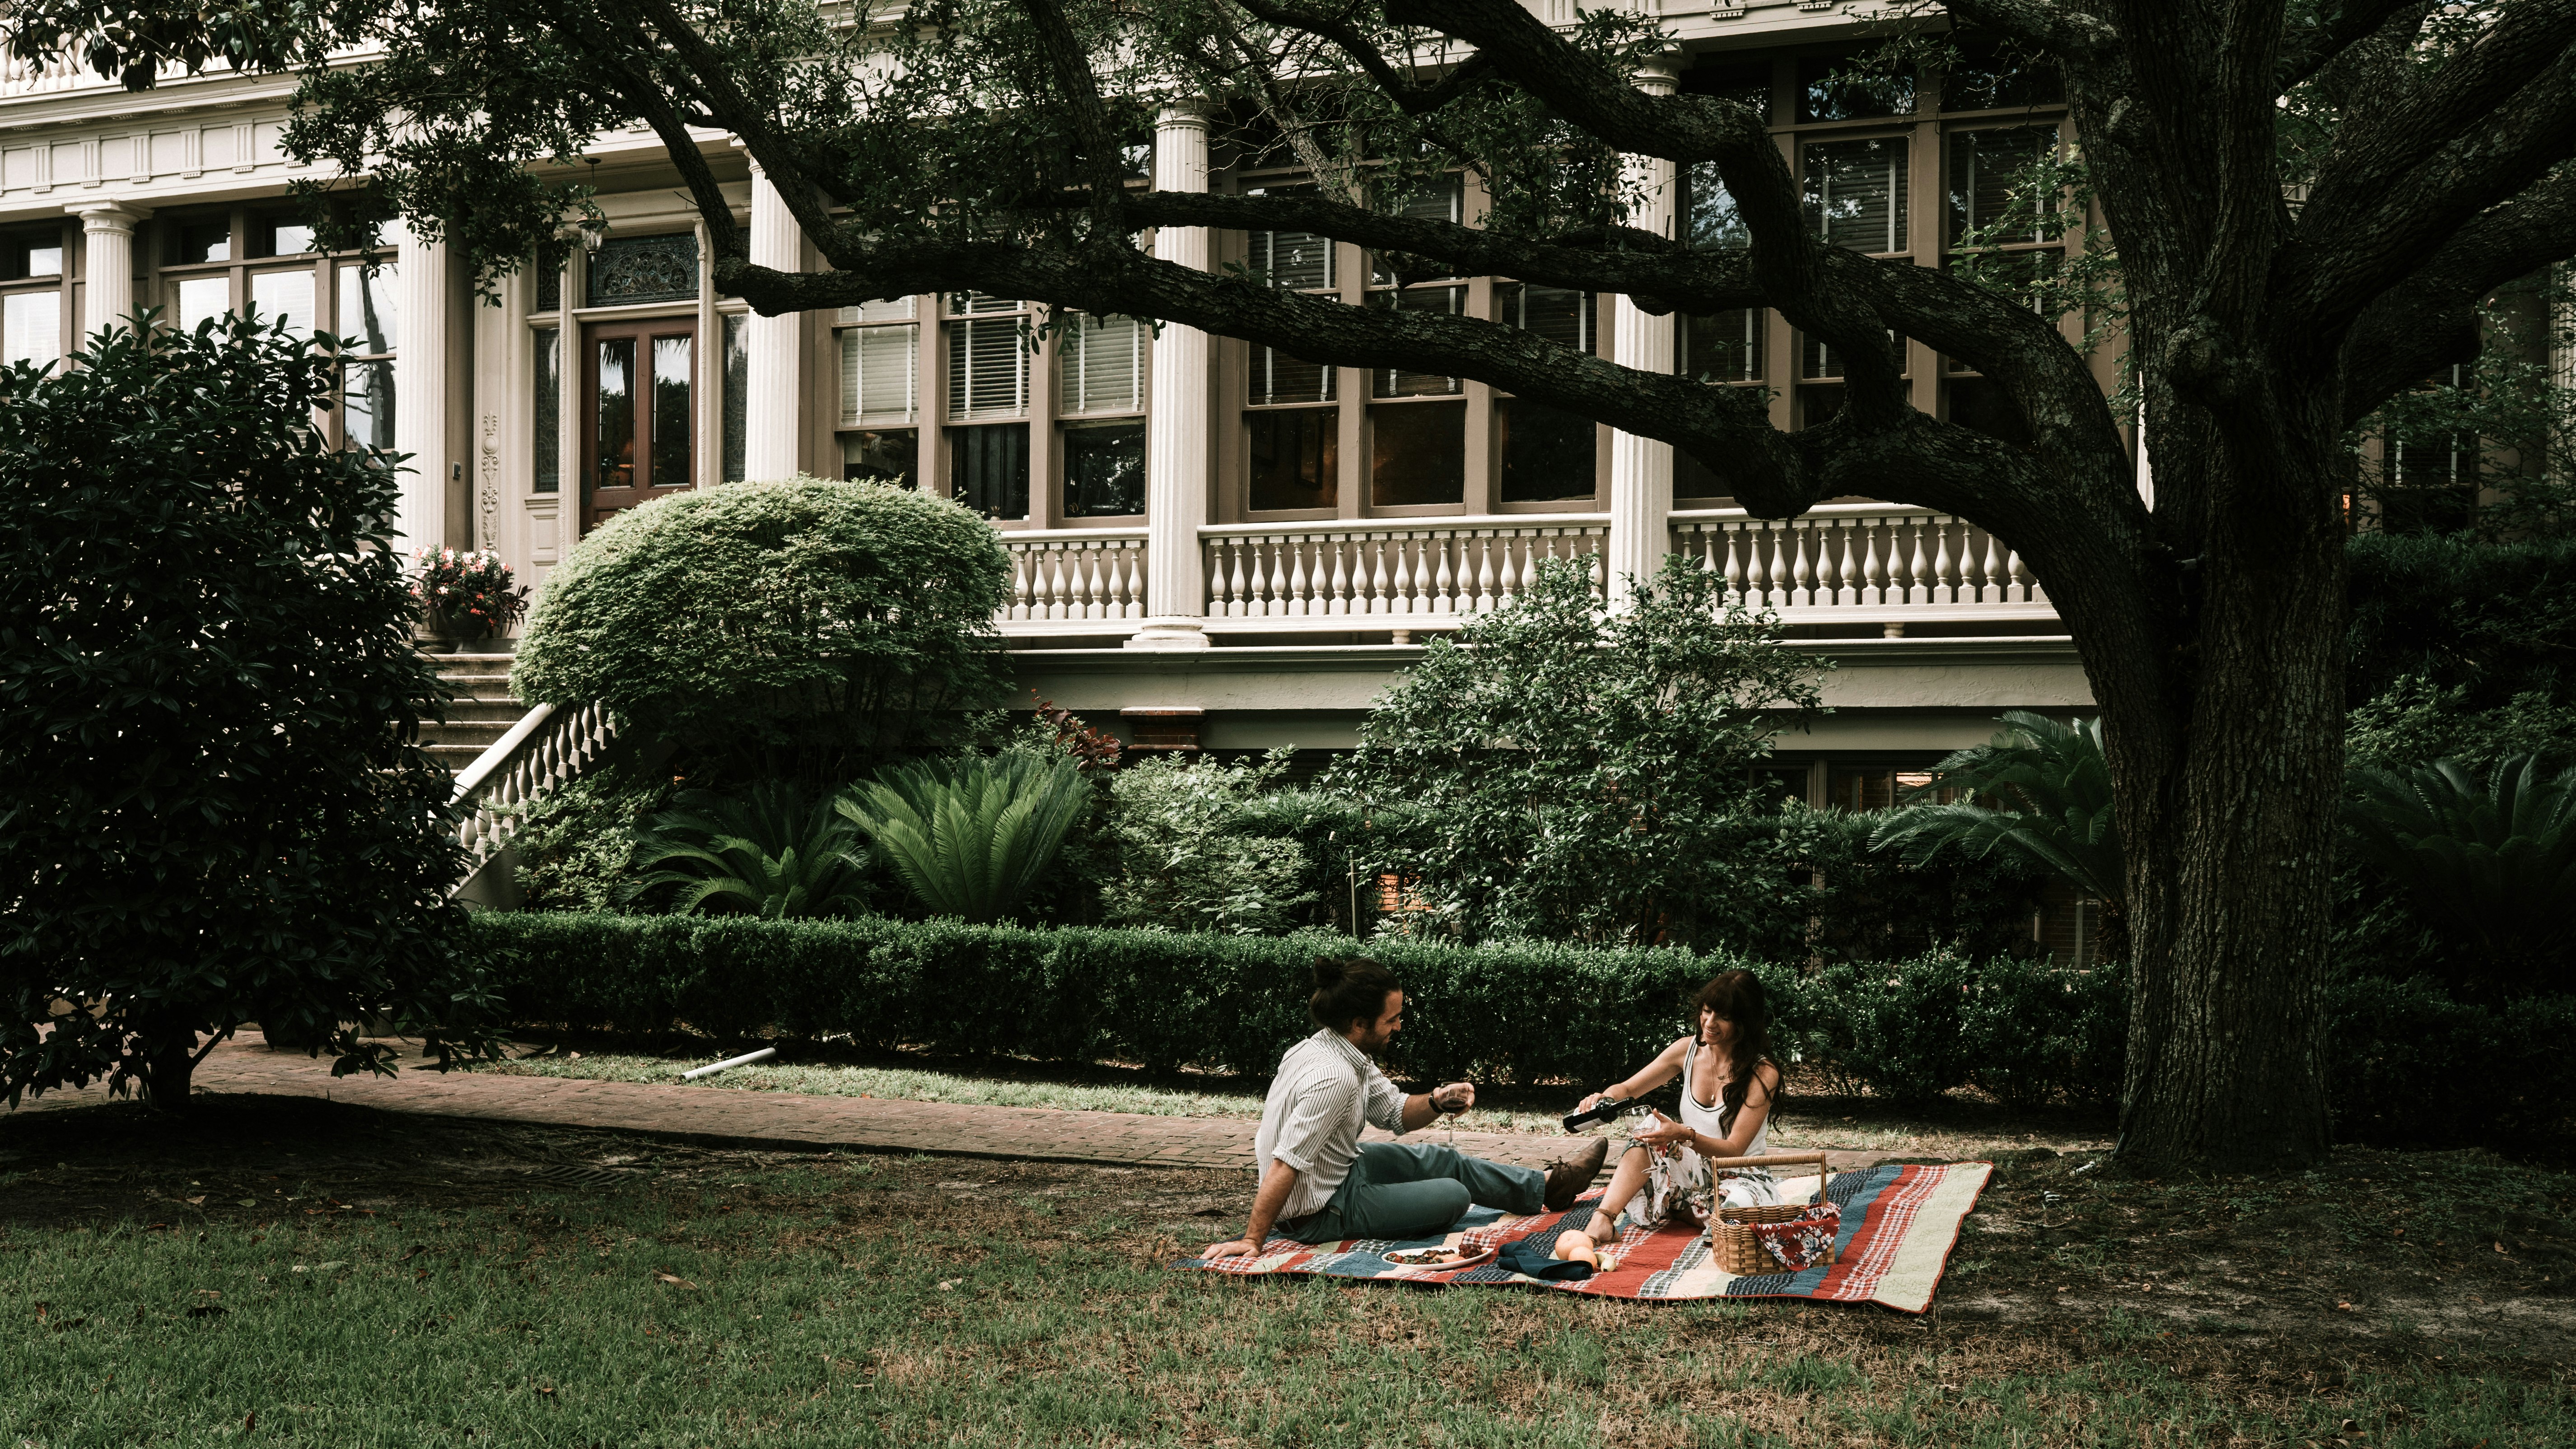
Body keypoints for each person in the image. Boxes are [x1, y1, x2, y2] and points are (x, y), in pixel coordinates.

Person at [1201, 956, 1609, 1258]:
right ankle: (1529, 1189)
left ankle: (1548, 1186)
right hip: (1320, 1211)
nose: (1399, 1026)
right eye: (1392, 1018)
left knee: (1442, 1158)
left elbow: (1393, 1111)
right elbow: (1284, 1163)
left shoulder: (1333, 1049)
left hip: (1342, 1170)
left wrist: (1436, 1100)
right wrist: (1253, 1239)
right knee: (1454, 1194)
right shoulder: (1334, 1079)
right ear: (1360, 1022)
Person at [1568, 969, 1786, 1249]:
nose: (1710, 1022)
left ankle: (1689, 1210)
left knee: (1732, 1219)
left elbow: (1734, 1150)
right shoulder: (1688, 1051)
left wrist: (1685, 1135)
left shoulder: (1762, 1071)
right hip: (1694, 1169)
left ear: (1745, 1022)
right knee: (1648, 1130)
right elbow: (1627, 1089)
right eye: (1707, 1011)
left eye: (1724, 1017)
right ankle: (1603, 1219)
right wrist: (1603, 1098)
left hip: (1741, 1174)